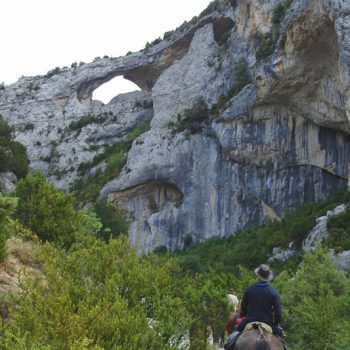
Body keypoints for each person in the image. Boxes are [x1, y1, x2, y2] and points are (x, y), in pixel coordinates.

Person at [224, 264, 283, 350]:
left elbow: (243, 307)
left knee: (231, 339)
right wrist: (275, 323)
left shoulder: (249, 289)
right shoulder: (274, 292)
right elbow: (278, 313)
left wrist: (243, 315)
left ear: (258, 276)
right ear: (268, 277)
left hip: (250, 320)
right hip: (268, 322)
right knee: (283, 343)